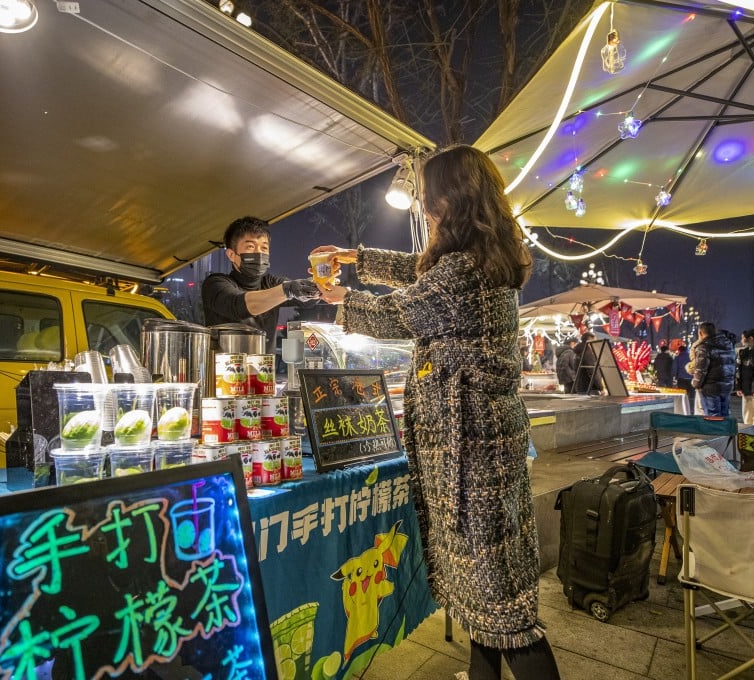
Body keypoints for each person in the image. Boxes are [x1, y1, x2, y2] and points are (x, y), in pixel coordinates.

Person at [310, 144, 560, 680]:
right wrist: (360, 259)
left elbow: (401, 313)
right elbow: (419, 270)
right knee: (483, 594)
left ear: (456, 199)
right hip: (478, 446)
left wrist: (341, 300)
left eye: (431, 198)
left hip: (472, 454)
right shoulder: (481, 256)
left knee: (501, 603)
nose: (425, 209)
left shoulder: (464, 271)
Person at [201, 216, 320, 347]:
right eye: (250, 246)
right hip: (224, 359)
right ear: (231, 255)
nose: (259, 253)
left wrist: (322, 277)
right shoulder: (215, 284)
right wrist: (287, 290)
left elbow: (307, 300)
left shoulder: (271, 283)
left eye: (264, 248)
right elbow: (239, 305)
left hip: (265, 360)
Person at [690, 321, 736, 417]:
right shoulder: (728, 345)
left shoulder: (704, 347)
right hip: (727, 386)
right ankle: (724, 427)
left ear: (700, 333)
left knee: (713, 417)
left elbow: (700, 369)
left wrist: (695, 383)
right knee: (724, 415)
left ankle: (716, 428)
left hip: (710, 388)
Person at [672, 343, 695, 412]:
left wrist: (675, 376)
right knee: (692, 395)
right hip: (691, 378)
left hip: (681, 379)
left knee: (683, 395)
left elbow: (675, 368)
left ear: (679, 351)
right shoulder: (691, 357)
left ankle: (684, 409)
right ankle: (692, 409)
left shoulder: (677, 358)